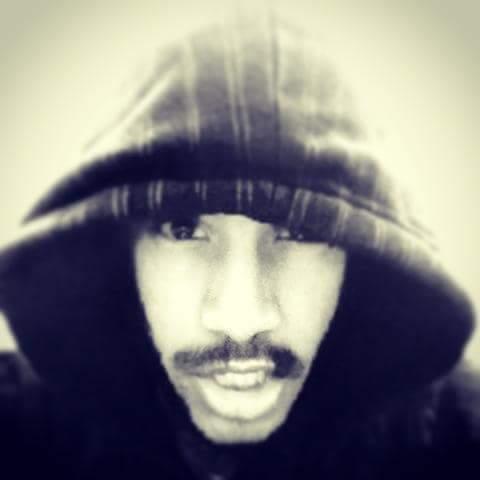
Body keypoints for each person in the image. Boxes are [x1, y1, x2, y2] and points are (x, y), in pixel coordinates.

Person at [0, 11, 478, 480]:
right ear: (120, 251)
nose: (241, 319)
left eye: (301, 232)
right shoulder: (19, 431)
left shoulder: (456, 440)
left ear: (360, 258)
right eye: (183, 230)